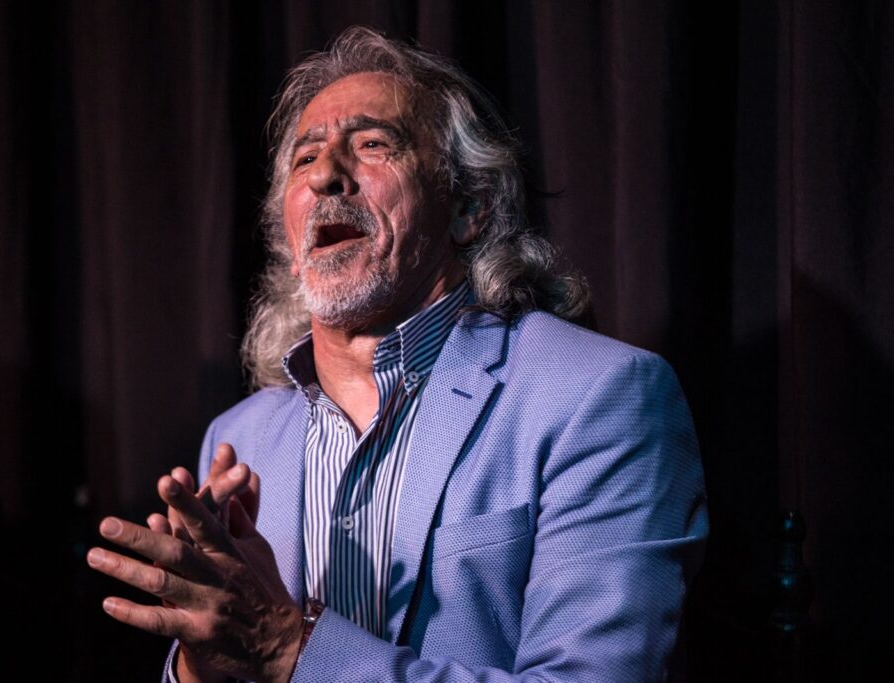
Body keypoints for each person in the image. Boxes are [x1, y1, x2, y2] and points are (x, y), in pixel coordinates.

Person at [87, 26, 708, 683]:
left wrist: (288, 649)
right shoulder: (239, 439)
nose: (328, 174)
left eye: (373, 145)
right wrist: (201, 666)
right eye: (306, 159)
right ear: (289, 238)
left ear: (467, 207)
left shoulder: (601, 397)